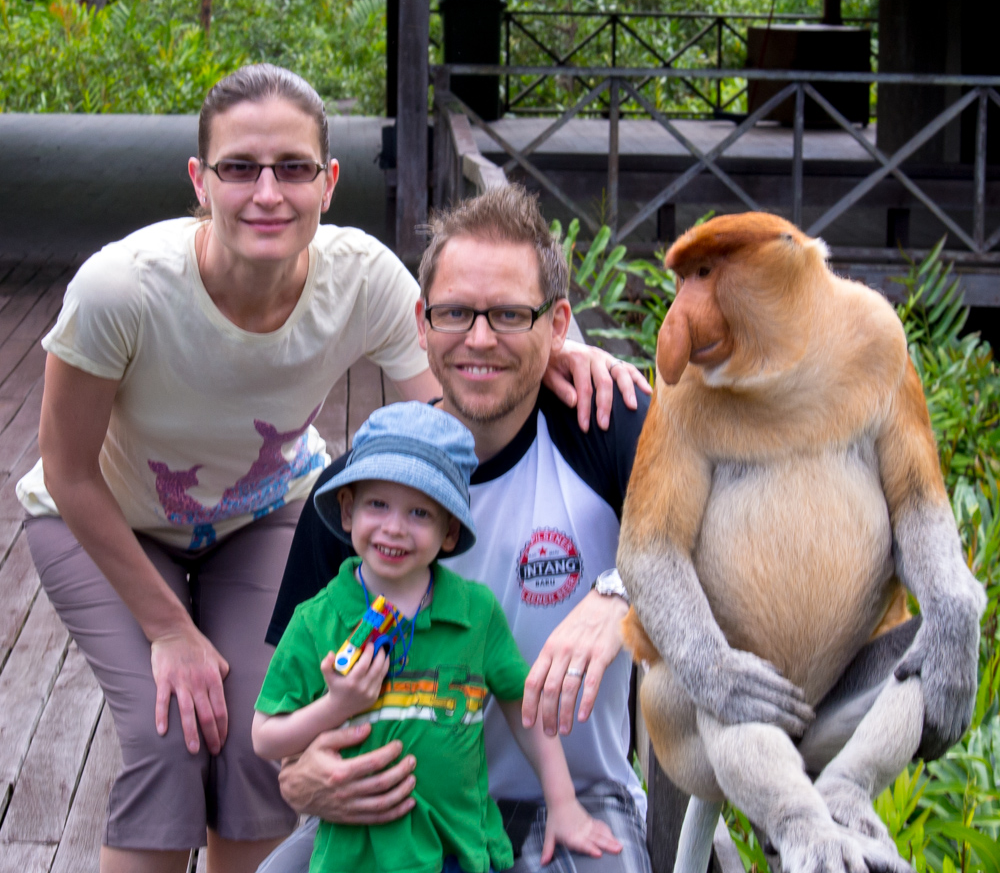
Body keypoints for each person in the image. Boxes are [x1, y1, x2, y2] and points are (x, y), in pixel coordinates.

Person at [15, 64, 646, 873]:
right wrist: (173, 632)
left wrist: (563, 353)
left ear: (329, 180)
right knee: (170, 733)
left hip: (261, 510)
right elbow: (68, 472)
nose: (267, 193)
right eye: (239, 168)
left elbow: (454, 412)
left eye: (293, 168)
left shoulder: (367, 279)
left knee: (247, 736)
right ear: (198, 181)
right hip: (104, 512)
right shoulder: (121, 290)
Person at [261, 187, 654, 873]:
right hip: (394, 798)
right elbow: (289, 706)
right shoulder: (354, 495)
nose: (479, 338)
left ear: (558, 323)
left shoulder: (607, 426)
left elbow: (736, 546)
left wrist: (624, 592)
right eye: (455, 313)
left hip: (573, 796)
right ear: (421, 321)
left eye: (508, 314)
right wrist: (299, 777)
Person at [253, 402, 623, 873]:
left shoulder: (475, 613)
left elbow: (521, 707)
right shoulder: (317, 620)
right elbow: (265, 738)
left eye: (420, 513)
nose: (394, 527)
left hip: (460, 851)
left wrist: (564, 804)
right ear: (347, 511)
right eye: (377, 504)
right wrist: (336, 706)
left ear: (449, 532)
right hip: (354, 858)